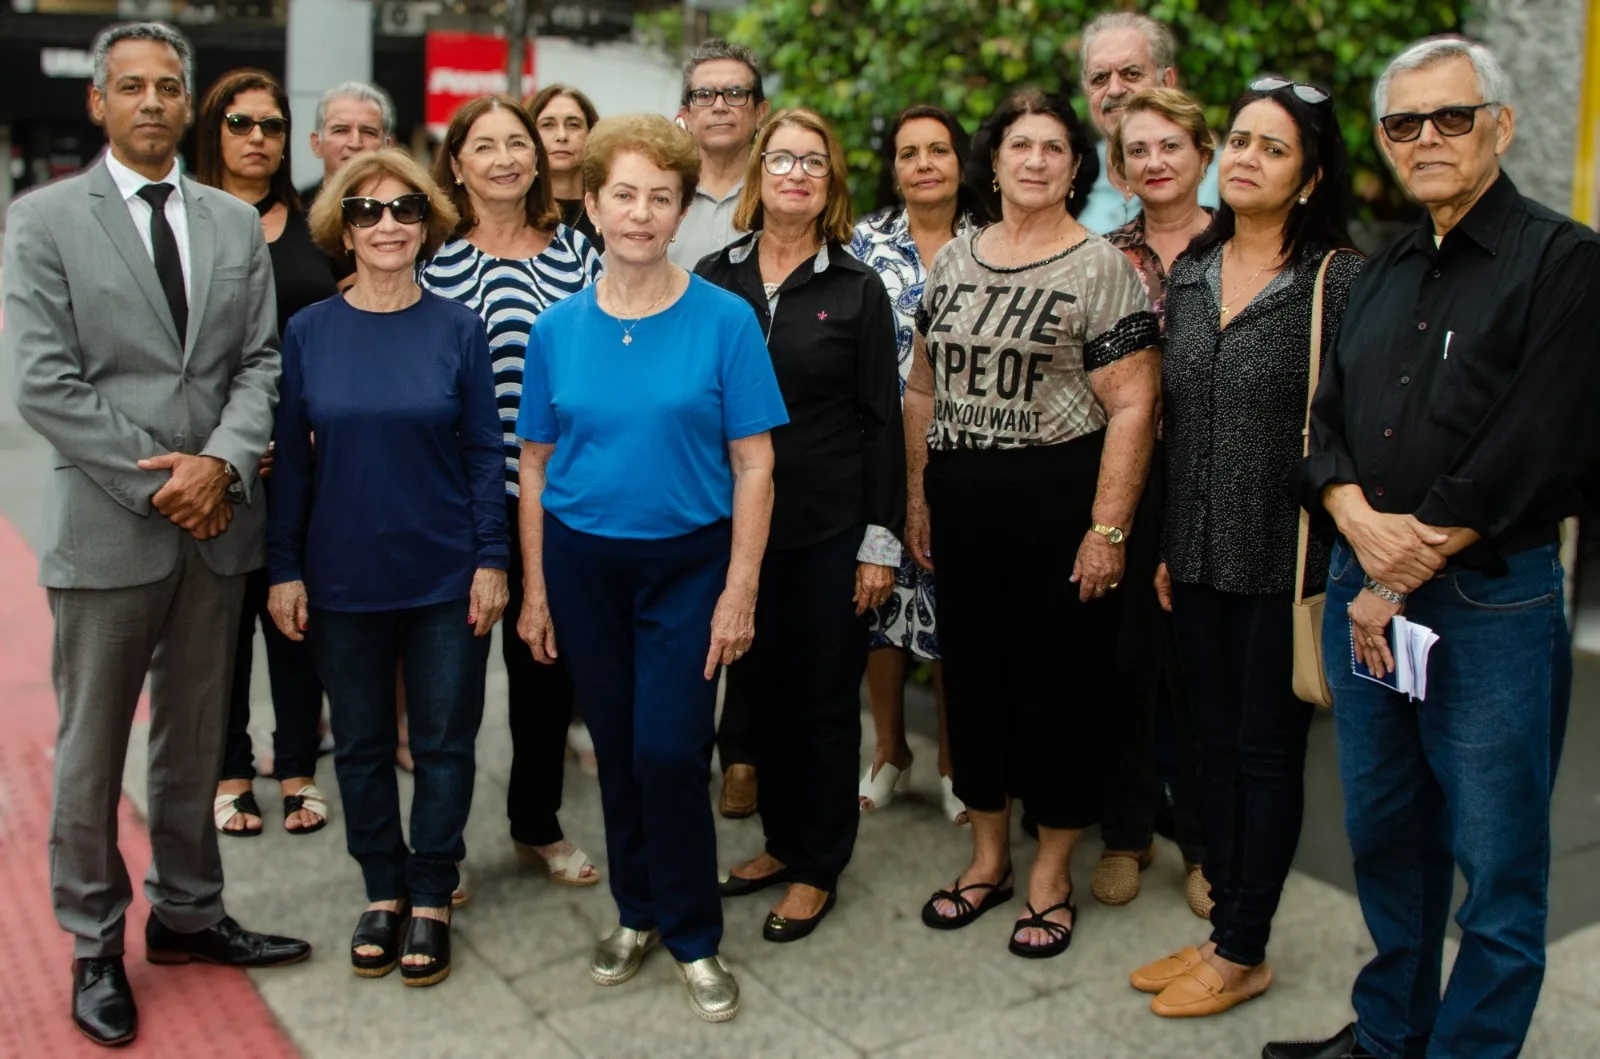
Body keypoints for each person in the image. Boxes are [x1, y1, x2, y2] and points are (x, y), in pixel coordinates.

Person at [1267, 37, 1600, 1059]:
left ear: (1500, 123)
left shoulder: (1565, 261)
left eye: (1451, 116)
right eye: (1403, 123)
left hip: (1487, 605)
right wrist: (1361, 535)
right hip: (1364, 589)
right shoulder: (1382, 267)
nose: (1427, 139)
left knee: (1497, 863)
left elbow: (1540, 446)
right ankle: (1387, 1034)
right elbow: (1320, 428)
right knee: (1383, 834)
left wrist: (1395, 566)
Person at [3, 21, 310, 1047]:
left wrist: (217, 463)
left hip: (217, 522)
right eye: (127, 86)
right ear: (97, 103)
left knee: (195, 739)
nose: (148, 102)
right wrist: (163, 482)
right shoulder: (43, 221)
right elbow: (44, 384)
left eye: (166, 87)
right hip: (110, 526)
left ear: (189, 106)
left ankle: (187, 913)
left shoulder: (232, 222)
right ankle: (95, 939)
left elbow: (260, 364)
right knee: (93, 749)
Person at [514, 114, 787, 1020]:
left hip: (690, 565)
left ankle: (695, 933)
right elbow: (537, 466)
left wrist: (739, 588)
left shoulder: (726, 319)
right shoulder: (556, 329)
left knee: (673, 750)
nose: (639, 213)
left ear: (680, 212)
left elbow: (755, 463)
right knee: (621, 753)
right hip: (584, 563)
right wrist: (538, 589)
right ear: (590, 204)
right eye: (622, 194)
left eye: (659, 198)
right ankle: (636, 912)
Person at [907, 87, 1161, 960]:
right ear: (996, 159)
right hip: (963, 495)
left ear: (1075, 166)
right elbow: (922, 387)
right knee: (971, 680)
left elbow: (1134, 404)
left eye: (1055, 146)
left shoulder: (1101, 267)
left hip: (1059, 497)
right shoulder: (953, 262)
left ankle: (1050, 868)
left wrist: (1109, 528)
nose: (1037, 160)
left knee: (1059, 686)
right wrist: (916, 496)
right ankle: (987, 858)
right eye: (1020, 144)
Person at [1132, 76, 1361, 1020]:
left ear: (1308, 178)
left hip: (1285, 561)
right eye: (1238, 139)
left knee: (1264, 756)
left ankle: (1245, 949)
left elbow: (1357, 427)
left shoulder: (1337, 280)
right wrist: (1162, 543)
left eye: (1272, 147)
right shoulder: (1188, 274)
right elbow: (1176, 426)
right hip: (1192, 557)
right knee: (1209, 750)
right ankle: (1226, 922)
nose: (1244, 157)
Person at [266, 148, 509, 989]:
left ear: (428, 223)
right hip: (341, 577)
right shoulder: (308, 333)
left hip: (447, 575)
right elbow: (292, 467)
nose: (387, 225)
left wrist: (492, 558)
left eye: (404, 209)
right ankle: (382, 886)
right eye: (366, 211)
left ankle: (432, 891)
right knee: (364, 745)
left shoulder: (458, 327)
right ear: (342, 226)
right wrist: (283, 569)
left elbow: (485, 453)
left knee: (444, 743)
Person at [698, 109, 905, 942]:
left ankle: (819, 863)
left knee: (821, 700)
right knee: (759, 696)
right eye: (780, 159)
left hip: (826, 530)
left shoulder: (857, 288)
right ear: (757, 174)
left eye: (812, 162)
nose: (795, 173)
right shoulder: (714, 277)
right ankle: (782, 843)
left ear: (831, 183)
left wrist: (878, 544)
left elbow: (882, 422)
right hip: (729, 530)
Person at [420, 93, 603, 889]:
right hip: (458, 503)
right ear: (456, 163)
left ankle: (536, 822)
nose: (503, 158)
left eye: (516, 144)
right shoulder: (430, 261)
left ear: (537, 160)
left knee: (544, 673)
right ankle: (441, 843)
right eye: (483, 145)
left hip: (556, 502)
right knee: (450, 687)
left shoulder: (578, 257)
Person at [194, 67, 337, 841]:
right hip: (213, 465)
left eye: (272, 125)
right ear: (213, 130)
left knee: (294, 622)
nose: (257, 138)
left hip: (304, 462)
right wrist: (228, 449)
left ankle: (296, 768)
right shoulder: (185, 219)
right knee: (219, 631)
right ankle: (228, 770)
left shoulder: (317, 223)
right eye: (240, 123)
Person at [1094, 86, 1214, 915]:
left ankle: (1205, 848)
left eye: (1171, 144)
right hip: (1123, 475)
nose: (1156, 160)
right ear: (1120, 169)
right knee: (1123, 663)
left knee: (1202, 670)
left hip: (1217, 477)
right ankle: (1126, 832)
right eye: (1139, 149)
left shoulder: (1246, 249)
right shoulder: (1104, 258)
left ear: (1204, 155)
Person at [848, 104, 977, 823]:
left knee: (957, 611)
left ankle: (957, 760)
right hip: (879, 451)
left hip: (967, 452)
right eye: (909, 152)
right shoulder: (865, 242)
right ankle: (889, 748)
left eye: (938, 150)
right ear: (894, 166)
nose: (924, 163)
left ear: (961, 161)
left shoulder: (991, 240)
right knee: (881, 604)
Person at [668, 40, 772, 819]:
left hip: (761, 416)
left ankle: (743, 747)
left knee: (750, 587)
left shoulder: (779, 189)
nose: (721, 105)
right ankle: (681, 744)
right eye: (706, 93)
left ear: (758, 110)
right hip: (674, 423)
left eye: (736, 92)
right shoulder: (662, 196)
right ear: (686, 111)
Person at [1076, 10, 1220, 235]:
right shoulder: (1070, 178)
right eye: (1100, 78)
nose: (1114, 90)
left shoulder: (1221, 176)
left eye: (1131, 74)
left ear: (1166, 82)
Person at [528, 82, 603, 248]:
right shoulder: (516, 212)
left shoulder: (608, 211)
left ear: (591, 134)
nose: (562, 136)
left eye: (573, 125)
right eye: (548, 125)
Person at [300, 80, 394, 203]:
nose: (355, 144)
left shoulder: (405, 215)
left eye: (368, 132)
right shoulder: (293, 212)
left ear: (386, 147)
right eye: (341, 130)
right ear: (317, 144)